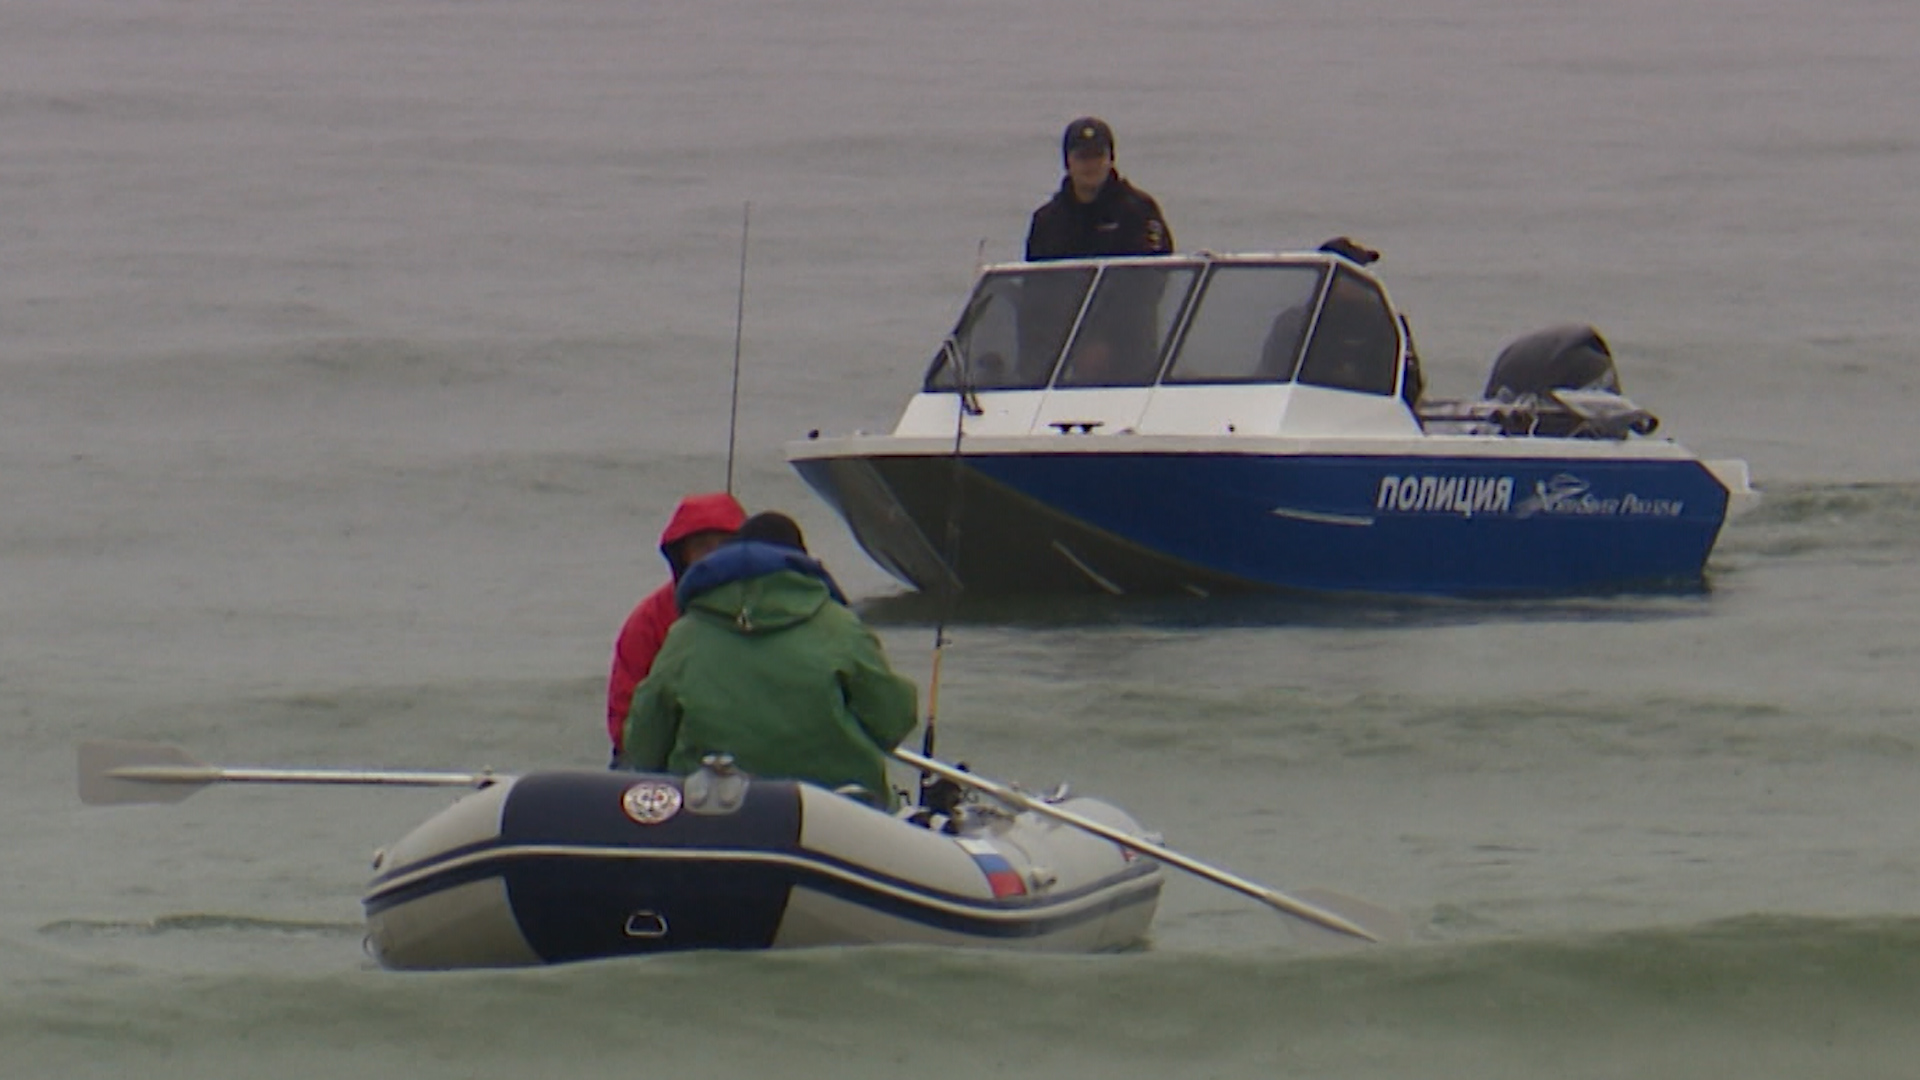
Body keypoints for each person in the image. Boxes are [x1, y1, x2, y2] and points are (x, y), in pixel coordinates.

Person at [617, 512, 920, 809]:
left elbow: (644, 744)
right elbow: (893, 722)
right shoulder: (840, 627)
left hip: (714, 809)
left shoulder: (685, 634)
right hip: (839, 807)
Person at [605, 491, 747, 760]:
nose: (715, 557)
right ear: (682, 555)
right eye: (703, 546)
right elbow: (624, 717)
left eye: (725, 545)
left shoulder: (765, 608)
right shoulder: (649, 620)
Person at [1025, 117, 1174, 261]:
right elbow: (1035, 282)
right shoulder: (1047, 221)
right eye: (1082, 157)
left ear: (1110, 160)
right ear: (1067, 162)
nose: (1091, 164)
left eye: (1098, 156)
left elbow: (1158, 272)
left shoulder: (1140, 211)